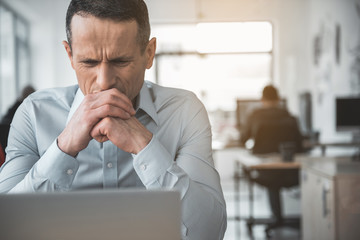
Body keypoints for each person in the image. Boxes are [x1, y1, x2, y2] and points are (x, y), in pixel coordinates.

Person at [0, 1, 227, 239]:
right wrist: (64, 146)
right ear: (70, 54)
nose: (105, 82)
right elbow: (6, 228)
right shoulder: (34, 113)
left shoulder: (183, 110)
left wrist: (145, 146)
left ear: (148, 54)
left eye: (120, 61)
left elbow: (208, 232)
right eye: (89, 62)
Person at [240, 85, 302, 232]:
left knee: (270, 180)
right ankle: (285, 218)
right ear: (278, 99)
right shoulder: (289, 115)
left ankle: (277, 218)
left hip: (265, 171)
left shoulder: (255, 115)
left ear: (262, 99)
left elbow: (243, 138)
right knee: (278, 179)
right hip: (290, 170)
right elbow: (299, 144)